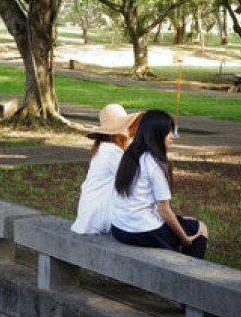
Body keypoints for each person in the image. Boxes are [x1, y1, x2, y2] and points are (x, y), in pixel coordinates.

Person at [111, 109, 209, 259]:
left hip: (119, 228)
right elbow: (164, 210)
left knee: (186, 221)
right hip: (141, 231)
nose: (173, 136)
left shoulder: (130, 155)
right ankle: (189, 276)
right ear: (156, 134)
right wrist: (185, 239)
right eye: (169, 132)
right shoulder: (154, 164)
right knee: (200, 228)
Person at [71, 104, 143, 235]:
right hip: (97, 218)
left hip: (88, 214)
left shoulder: (102, 148)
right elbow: (134, 178)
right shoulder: (112, 152)